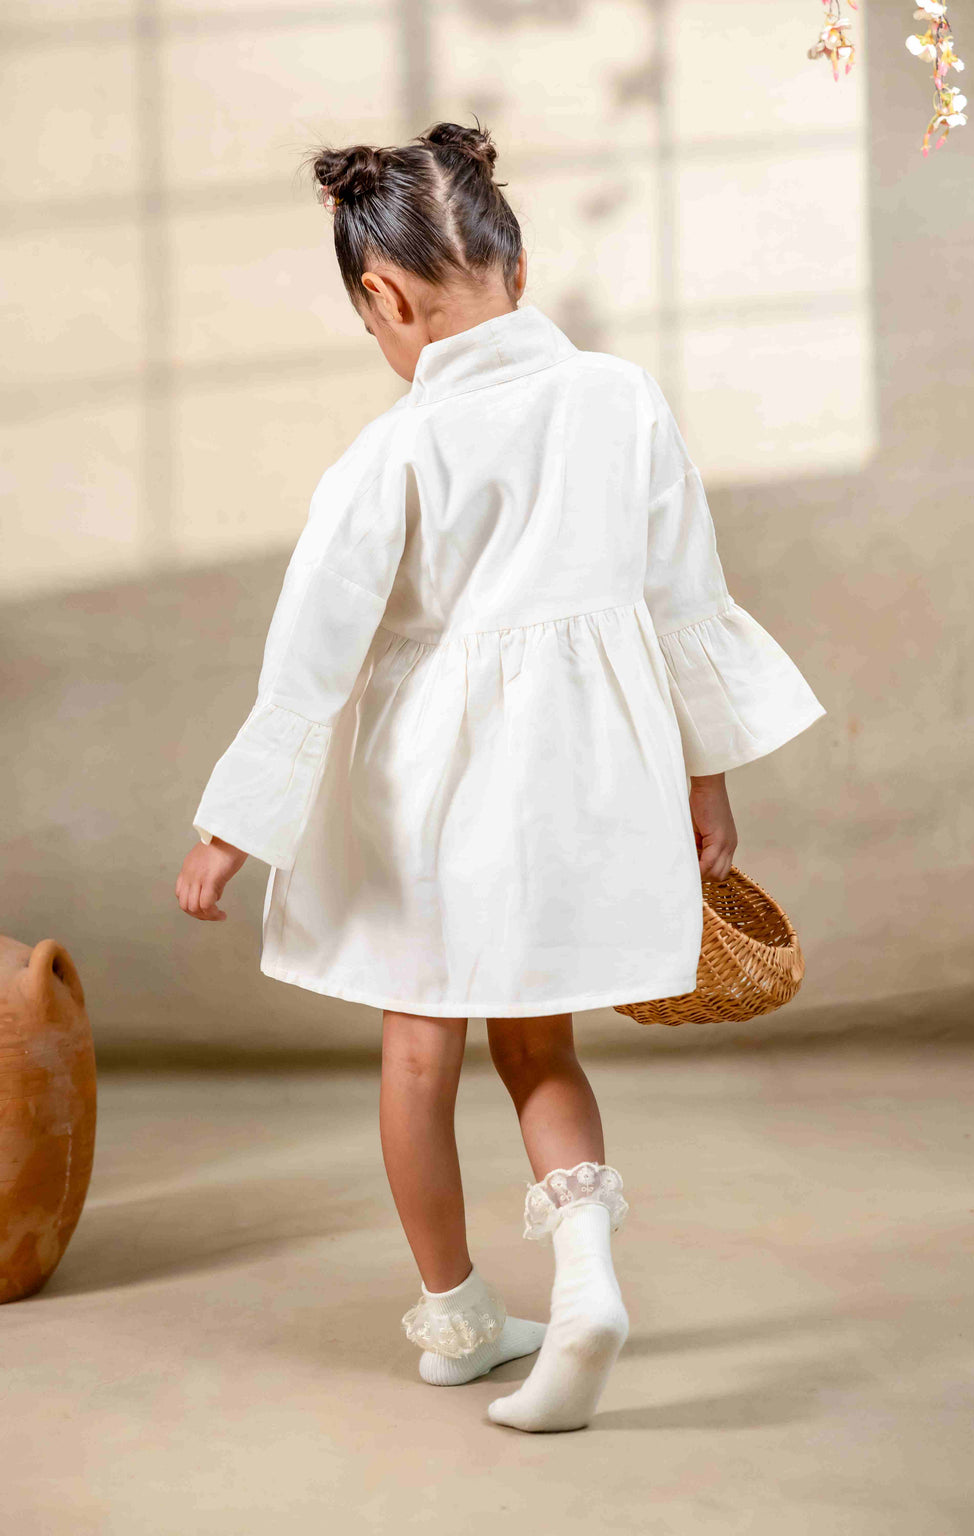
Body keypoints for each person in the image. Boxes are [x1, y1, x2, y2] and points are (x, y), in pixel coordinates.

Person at [174, 120, 826, 1433]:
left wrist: (230, 829)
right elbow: (682, 601)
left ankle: (462, 1320)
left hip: (432, 795)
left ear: (384, 298)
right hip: (588, 779)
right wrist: (705, 782)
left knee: (420, 1054)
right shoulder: (621, 399)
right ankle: (585, 1282)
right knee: (541, 1046)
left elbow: (310, 659)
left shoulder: (389, 454)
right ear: (516, 272)